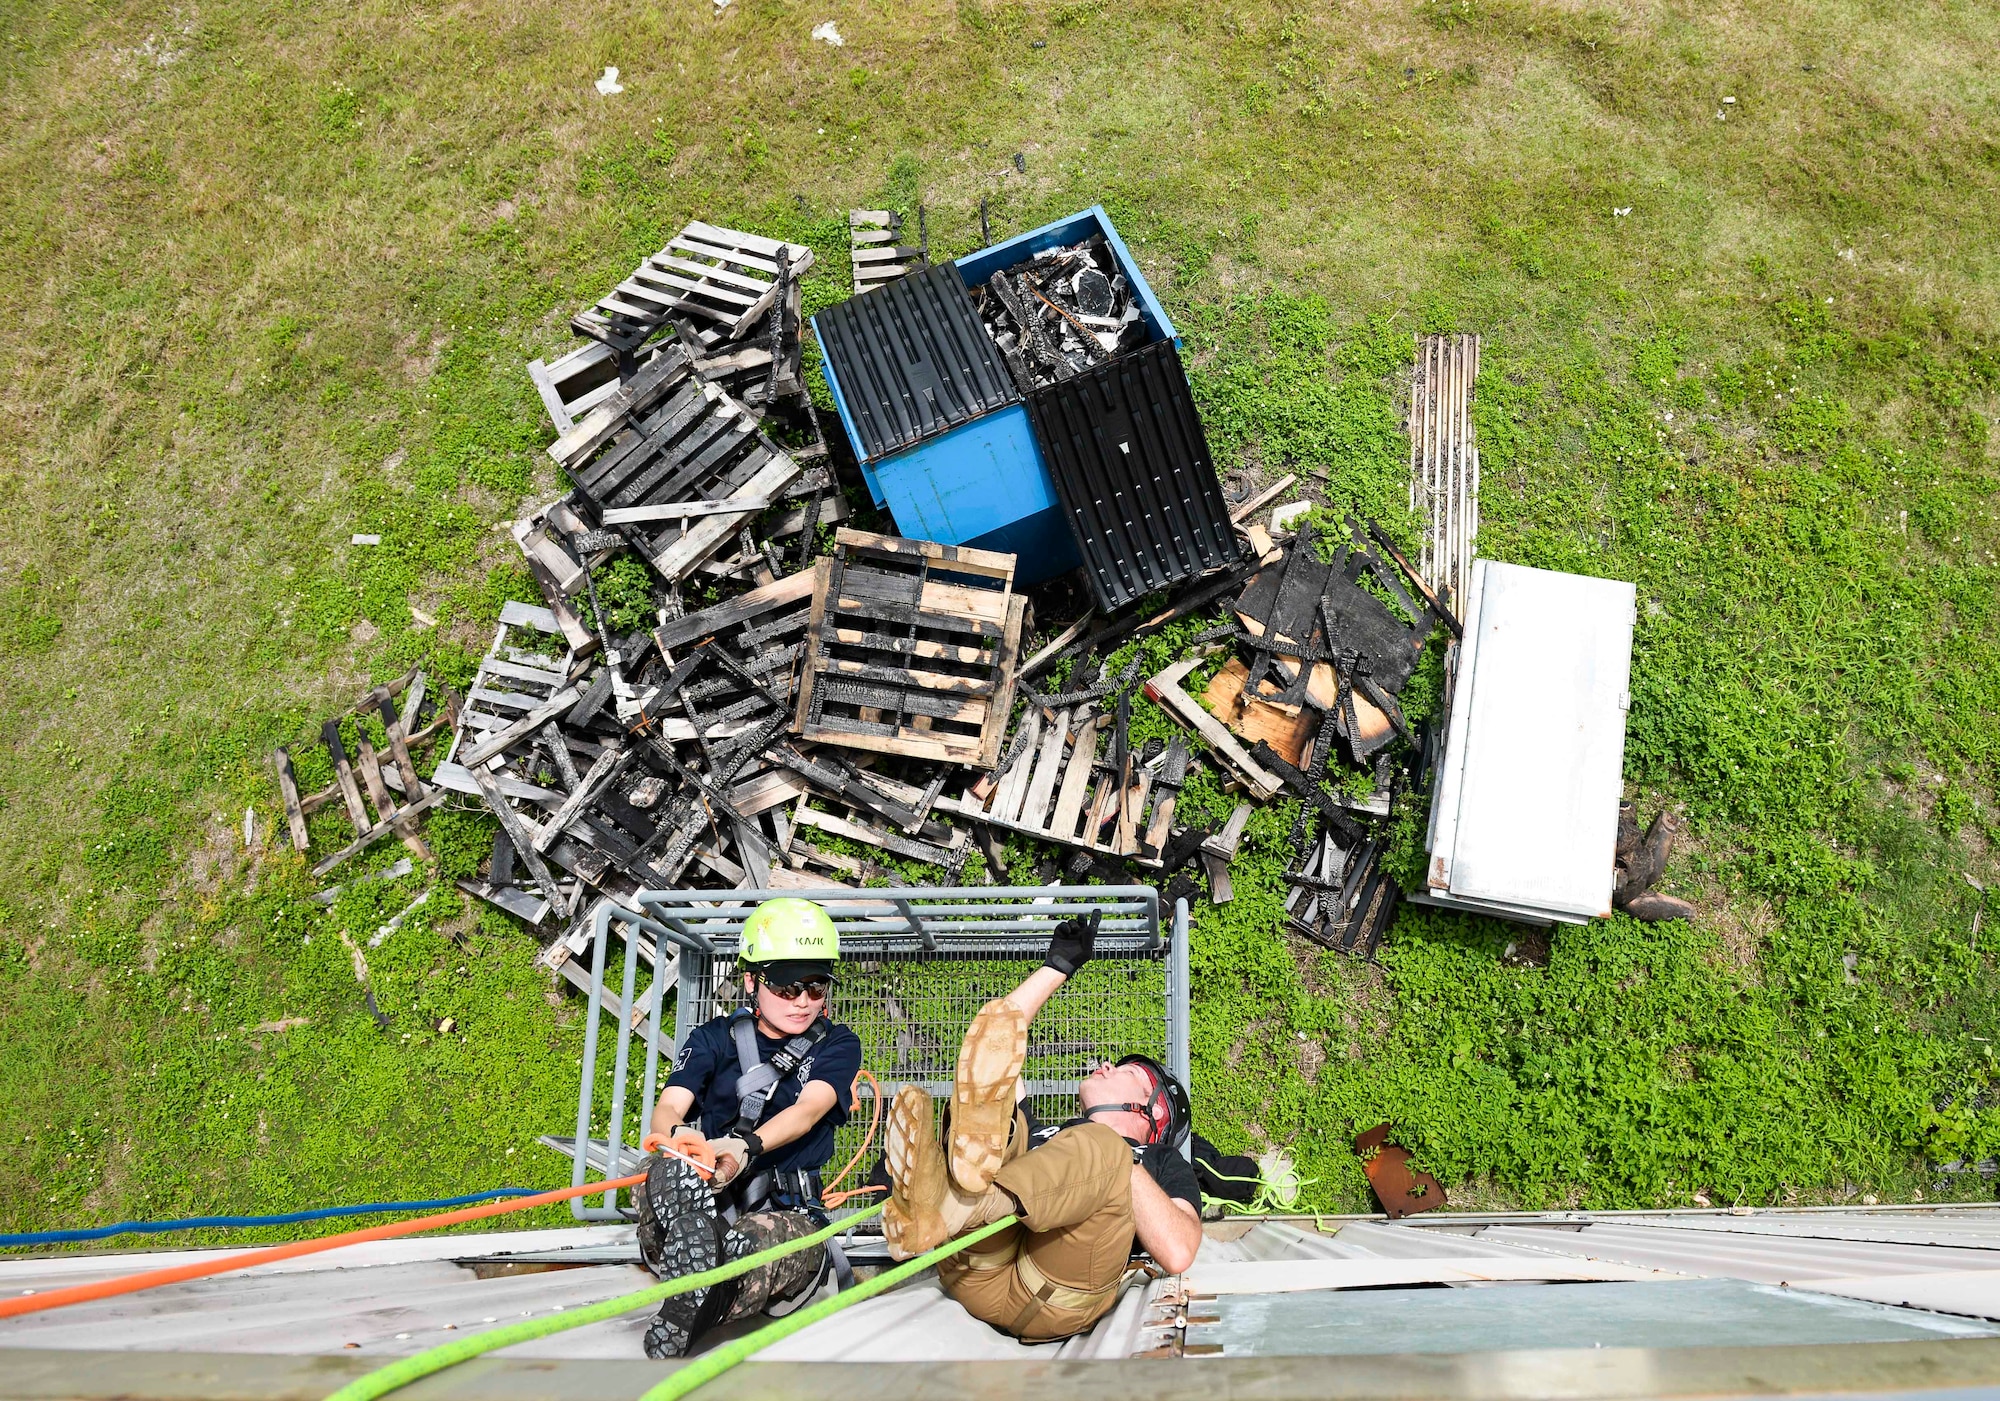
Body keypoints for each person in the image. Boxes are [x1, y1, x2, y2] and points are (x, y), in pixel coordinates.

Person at [882, 910, 1205, 1341]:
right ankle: (952, 1207)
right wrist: (1057, 968)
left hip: (1055, 1296)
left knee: (1106, 1150)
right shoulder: (1053, 1137)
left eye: (1129, 1071)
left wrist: (1124, 1161)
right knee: (1002, 1108)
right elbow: (999, 1039)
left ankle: (955, 1203)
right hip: (977, 1269)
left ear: (1153, 1113)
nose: (1107, 1064)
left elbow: (1179, 1250)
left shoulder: (1161, 1163)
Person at [633, 896, 861, 1360]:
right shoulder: (712, 1039)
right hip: (706, 1186)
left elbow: (808, 1110)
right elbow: (668, 1109)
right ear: (752, 980)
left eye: (816, 987)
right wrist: (681, 1140)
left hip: (786, 1208)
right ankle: (687, 1248)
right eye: (786, 986)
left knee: (770, 1247)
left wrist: (743, 1146)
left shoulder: (838, 1043)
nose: (802, 1001)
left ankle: (703, 1287)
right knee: (660, 1165)